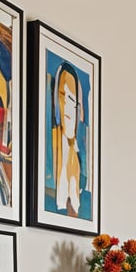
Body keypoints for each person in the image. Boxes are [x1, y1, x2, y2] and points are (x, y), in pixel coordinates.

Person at [48, 62, 83, 216]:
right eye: (64, 98)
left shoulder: (79, 167)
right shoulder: (47, 153)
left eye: (73, 102)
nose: (69, 109)